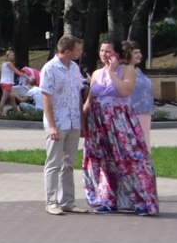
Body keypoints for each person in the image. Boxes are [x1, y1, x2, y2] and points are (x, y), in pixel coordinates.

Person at [82, 37, 159, 216]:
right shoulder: (95, 74)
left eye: (108, 51)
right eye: (102, 51)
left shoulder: (127, 70)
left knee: (130, 160)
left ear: (117, 53)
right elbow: (89, 101)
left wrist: (111, 73)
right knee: (104, 161)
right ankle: (108, 199)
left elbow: (125, 91)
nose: (104, 54)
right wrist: (81, 122)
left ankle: (141, 201)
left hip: (120, 123)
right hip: (99, 124)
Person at [40, 35, 86, 215]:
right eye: (78, 49)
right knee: (54, 163)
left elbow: (78, 93)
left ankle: (67, 201)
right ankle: (51, 202)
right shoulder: (50, 69)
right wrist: (51, 125)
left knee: (68, 163)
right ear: (67, 51)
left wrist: (81, 120)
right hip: (58, 122)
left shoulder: (74, 67)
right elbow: (46, 97)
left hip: (73, 121)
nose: (80, 52)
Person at [125, 41, 154, 142]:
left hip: (145, 111)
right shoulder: (123, 71)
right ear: (127, 54)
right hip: (132, 113)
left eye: (139, 52)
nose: (139, 55)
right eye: (136, 52)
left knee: (144, 143)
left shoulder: (137, 70)